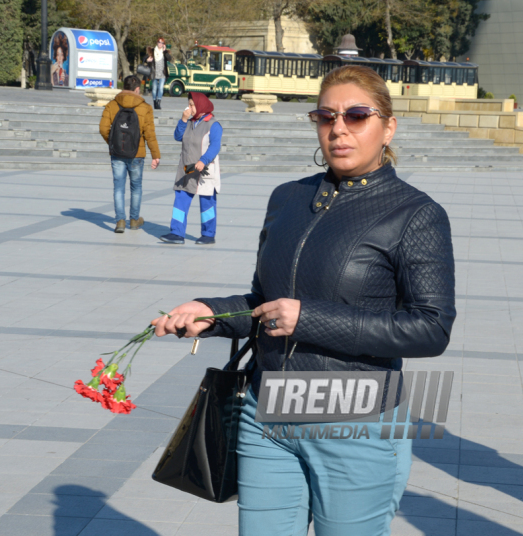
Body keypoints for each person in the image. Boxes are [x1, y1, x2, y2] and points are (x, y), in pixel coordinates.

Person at [152, 65, 456, 535]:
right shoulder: (287, 199)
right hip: (265, 416)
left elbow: (431, 328)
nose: (339, 128)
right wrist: (212, 312)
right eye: (326, 116)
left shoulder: (415, 214)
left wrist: (308, 319)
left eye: (357, 115)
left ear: (388, 126)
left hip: (356, 423)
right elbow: (264, 302)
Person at [99, 75, 161, 233]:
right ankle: (134, 220)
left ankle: (120, 221)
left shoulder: (112, 105)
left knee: (118, 187)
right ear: (137, 89)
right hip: (137, 154)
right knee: (136, 187)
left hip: (117, 153)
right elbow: (150, 134)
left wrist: (113, 144)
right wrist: (156, 155)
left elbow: (103, 128)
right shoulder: (145, 107)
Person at [160, 92, 222, 245]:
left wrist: (204, 160)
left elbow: (215, 146)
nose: (189, 107)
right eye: (189, 104)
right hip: (187, 168)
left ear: (201, 105)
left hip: (204, 169)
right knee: (181, 198)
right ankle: (176, 233)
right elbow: (177, 136)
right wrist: (183, 119)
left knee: (207, 201)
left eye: (192, 104)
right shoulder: (189, 122)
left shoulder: (213, 124)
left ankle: (208, 234)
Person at [145, 38, 173, 110]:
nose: (160, 44)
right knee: (154, 89)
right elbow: (145, 58)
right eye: (159, 42)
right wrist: (147, 60)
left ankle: (158, 102)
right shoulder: (152, 50)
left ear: (164, 44)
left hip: (162, 73)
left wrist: (165, 51)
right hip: (154, 73)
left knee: (160, 89)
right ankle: (154, 101)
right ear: (157, 43)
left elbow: (170, 59)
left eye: (162, 43)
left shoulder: (165, 52)